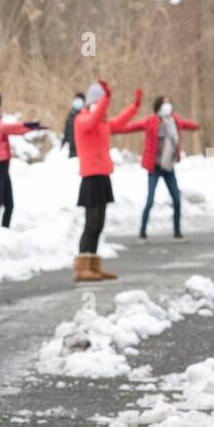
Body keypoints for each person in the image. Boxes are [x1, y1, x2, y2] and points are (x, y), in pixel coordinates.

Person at [72, 80, 140, 282]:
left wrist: (134, 107)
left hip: (103, 176)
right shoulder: (82, 119)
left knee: (99, 223)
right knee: (91, 223)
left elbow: (119, 122)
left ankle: (94, 265)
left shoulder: (102, 123)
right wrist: (107, 98)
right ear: (95, 101)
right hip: (90, 178)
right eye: (100, 100)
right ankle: (82, 267)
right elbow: (92, 120)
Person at [117, 95, 200, 241]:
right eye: (164, 104)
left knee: (176, 199)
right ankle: (142, 232)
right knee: (150, 200)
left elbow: (186, 125)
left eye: (169, 103)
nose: (168, 106)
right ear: (158, 106)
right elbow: (134, 127)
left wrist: (197, 126)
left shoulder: (175, 120)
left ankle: (177, 232)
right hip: (154, 167)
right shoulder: (151, 121)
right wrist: (117, 129)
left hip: (168, 166)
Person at [0, 92, 43, 230]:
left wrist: (29, 127)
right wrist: (26, 125)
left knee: (9, 204)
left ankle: (4, 232)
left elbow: (11, 130)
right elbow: (3, 129)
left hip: (1, 166)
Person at [62, 92, 84, 158]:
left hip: (82, 148)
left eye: (80, 100)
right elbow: (66, 129)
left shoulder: (85, 115)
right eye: (77, 99)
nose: (78, 102)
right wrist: (63, 142)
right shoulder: (71, 114)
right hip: (71, 147)